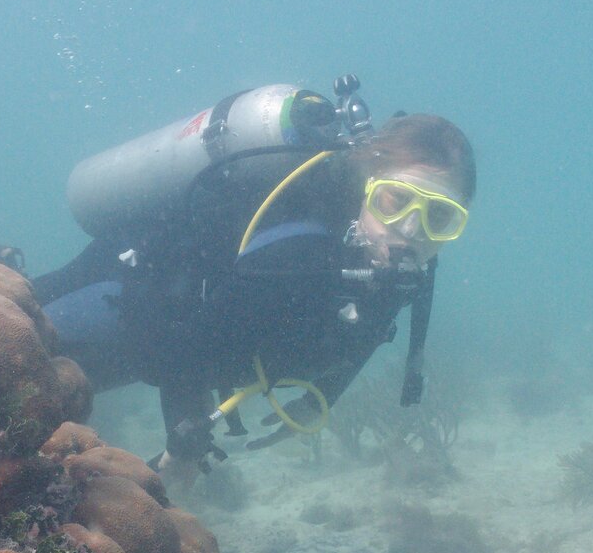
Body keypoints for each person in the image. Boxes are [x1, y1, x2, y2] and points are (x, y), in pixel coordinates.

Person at [33, 97, 474, 471]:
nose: (412, 229)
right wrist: (185, 435)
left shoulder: (402, 270)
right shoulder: (298, 251)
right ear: (366, 187)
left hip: (159, 340)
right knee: (4, 329)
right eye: (395, 200)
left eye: (441, 217)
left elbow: (367, 333)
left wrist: (320, 400)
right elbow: (185, 347)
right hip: (122, 292)